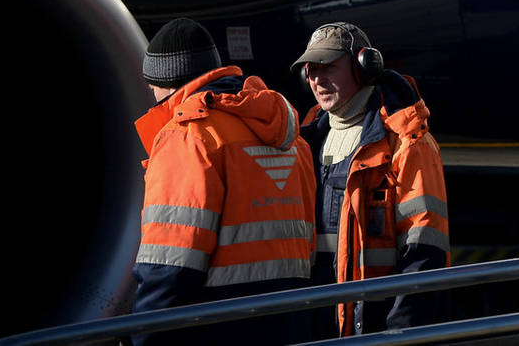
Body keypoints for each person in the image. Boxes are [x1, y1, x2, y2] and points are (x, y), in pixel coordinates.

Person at [132, 18, 316, 346]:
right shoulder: (290, 139)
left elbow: (169, 265)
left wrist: (142, 338)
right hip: (291, 321)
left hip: (218, 326)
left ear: (167, 81)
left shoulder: (188, 137)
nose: (152, 93)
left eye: (152, 85)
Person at [292, 22, 450, 335]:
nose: (318, 79)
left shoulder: (408, 142)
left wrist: (401, 331)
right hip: (312, 319)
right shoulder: (303, 141)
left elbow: (423, 252)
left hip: (375, 324)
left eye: (329, 68)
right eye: (311, 69)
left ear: (364, 68)